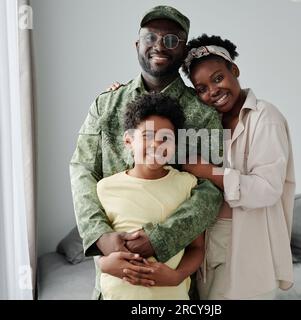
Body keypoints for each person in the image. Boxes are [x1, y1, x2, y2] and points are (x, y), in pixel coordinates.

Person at [69, 6, 223, 299]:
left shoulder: (203, 114)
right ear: (137, 44)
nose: (158, 45)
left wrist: (160, 238)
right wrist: (101, 237)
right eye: (150, 36)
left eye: (171, 39)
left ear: (183, 50)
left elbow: (212, 188)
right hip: (113, 276)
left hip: (173, 280)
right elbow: (82, 169)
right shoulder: (106, 105)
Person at [180, 34, 296, 299]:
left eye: (218, 78)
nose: (213, 92)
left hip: (248, 241)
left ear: (234, 70)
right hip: (210, 240)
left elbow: (267, 189)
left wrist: (208, 171)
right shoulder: (208, 122)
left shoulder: (265, 117)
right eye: (202, 88)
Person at [96, 93, 204, 300]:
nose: (156, 144)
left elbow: (197, 248)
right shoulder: (105, 188)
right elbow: (102, 243)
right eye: (147, 136)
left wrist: (176, 276)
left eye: (166, 138)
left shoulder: (187, 184)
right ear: (128, 141)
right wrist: (103, 263)